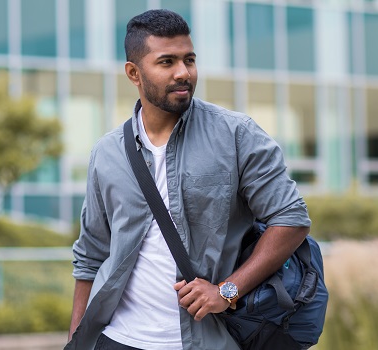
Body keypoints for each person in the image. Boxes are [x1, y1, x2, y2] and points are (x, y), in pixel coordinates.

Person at [66, 9, 311, 350]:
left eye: (189, 60)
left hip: (204, 340)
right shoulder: (107, 153)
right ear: (134, 73)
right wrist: (76, 339)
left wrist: (227, 291)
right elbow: (92, 254)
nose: (183, 73)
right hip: (118, 339)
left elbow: (291, 219)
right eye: (166, 62)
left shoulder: (236, 134)